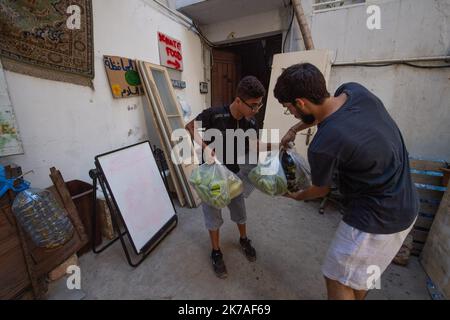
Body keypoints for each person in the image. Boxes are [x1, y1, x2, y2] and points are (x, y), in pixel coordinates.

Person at [273, 63, 419, 299]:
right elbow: (322, 113)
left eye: (289, 108)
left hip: (376, 218)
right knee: (359, 275)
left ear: (300, 102)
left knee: (336, 276)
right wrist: (295, 128)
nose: (292, 113)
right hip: (407, 202)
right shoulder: (354, 91)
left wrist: (296, 195)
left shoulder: (323, 145)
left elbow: (320, 190)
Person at [185, 76, 273, 279]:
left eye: (259, 104)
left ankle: (243, 239)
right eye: (253, 105)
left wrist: (276, 145)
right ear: (238, 100)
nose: (257, 109)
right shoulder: (214, 115)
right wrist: (205, 147)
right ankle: (216, 251)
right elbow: (191, 126)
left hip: (233, 174)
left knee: (239, 209)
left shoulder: (250, 121)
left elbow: (253, 145)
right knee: (213, 214)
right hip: (211, 177)